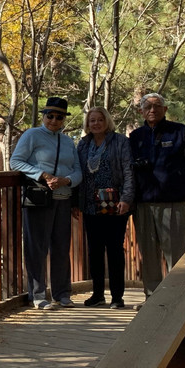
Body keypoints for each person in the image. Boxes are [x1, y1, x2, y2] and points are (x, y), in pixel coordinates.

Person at [10, 96, 82, 310]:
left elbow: (78, 170)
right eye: (50, 115)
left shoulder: (68, 141)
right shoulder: (32, 135)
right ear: (43, 116)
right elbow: (16, 161)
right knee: (37, 248)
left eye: (59, 117)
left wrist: (67, 180)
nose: (54, 120)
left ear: (63, 119)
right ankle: (38, 295)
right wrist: (42, 175)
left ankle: (62, 293)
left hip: (63, 200)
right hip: (39, 200)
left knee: (61, 248)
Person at [128, 92, 185, 296]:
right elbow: (130, 170)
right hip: (143, 204)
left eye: (157, 106)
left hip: (173, 203)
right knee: (148, 254)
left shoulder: (180, 132)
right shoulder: (135, 137)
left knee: (175, 253)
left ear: (165, 109)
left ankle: (175, 298)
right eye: (148, 107)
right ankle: (151, 297)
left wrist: (178, 187)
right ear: (141, 111)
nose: (152, 110)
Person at [76, 107, 135, 309]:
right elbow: (78, 174)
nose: (96, 124)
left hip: (115, 204)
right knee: (94, 251)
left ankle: (117, 297)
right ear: (87, 124)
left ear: (107, 121)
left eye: (100, 120)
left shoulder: (120, 142)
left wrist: (126, 198)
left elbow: (128, 171)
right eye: (92, 120)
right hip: (90, 205)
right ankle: (98, 294)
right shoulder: (83, 145)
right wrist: (76, 202)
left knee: (115, 250)